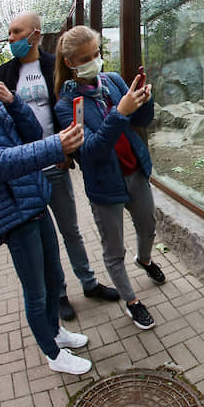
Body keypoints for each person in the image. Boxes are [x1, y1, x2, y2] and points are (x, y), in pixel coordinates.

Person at [0, 28, 92, 375]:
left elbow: (29, 135)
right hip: (13, 211)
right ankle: (52, 355)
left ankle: (56, 332)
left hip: (35, 197)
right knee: (36, 290)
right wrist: (57, 146)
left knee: (54, 279)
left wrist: (13, 101)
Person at [0, 11, 119, 321]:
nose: (11, 39)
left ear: (34, 35)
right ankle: (60, 292)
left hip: (57, 162)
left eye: (16, 32)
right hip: (27, 169)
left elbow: (73, 111)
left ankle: (89, 283)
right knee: (44, 238)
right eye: (9, 33)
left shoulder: (55, 67)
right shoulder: (4, 75)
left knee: (71, 231)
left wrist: (69, 151)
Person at [53, 26, 164, 330]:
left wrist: (144, 100)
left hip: (135, 171)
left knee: (148, 226)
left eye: (97, 54)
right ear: (70, 63)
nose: (94, 61)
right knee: (114, 249)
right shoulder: (66, 107)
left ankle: (145, 260)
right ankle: (132, 302)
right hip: (105, 185)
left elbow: (141, 121)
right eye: (86, 58)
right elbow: (89, 151)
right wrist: (119, 112)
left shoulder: (113, 81)